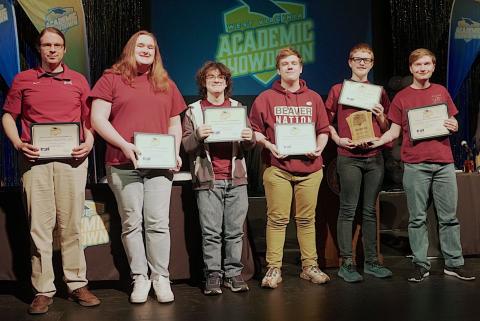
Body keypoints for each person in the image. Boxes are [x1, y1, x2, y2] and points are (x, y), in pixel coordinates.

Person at [2, 27, 100, 314]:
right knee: (40, 227)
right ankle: (43, 289)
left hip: (72, 162)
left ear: (65, 49)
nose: (52, 50)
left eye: (57, 45)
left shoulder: (79, 81)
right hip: (35, 162)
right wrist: (19, 144)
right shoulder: (24, 80)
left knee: (71, 225)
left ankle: (76, 283)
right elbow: (8, 116)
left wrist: (89, 143)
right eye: (47, 45)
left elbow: (89, 120)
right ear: (39, 48)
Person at [90, 30, 186, 303]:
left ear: (156, 54)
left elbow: (174, 124)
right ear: (130, 48)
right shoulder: (112, 79)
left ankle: (161, 277)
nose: (146, 50)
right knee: (132, 223)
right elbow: (98, 119)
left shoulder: (166, 83)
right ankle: (139, 278)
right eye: (141, 45)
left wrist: (174, 151)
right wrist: (124, 145)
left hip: (159, 165)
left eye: (151, 47)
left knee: (158, 223)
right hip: (123, 163)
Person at [370, 48, 475, 282]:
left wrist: (454, 125)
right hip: (415, 165)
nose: (423, 68)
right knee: (417, 218)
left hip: (444, 163)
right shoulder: (402, 97)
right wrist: (377, 140)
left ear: (433, 66)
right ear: (411, 68)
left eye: (427, 64)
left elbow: (451, 119)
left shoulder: (441, 91)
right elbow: (394, 132)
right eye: (418, 65)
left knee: (449, 217)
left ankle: (454, 264)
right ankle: (420, 264)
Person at [249, 47, 330, 288]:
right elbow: (255, 130)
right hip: (278, 167)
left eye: (294, 63)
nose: (290, 67)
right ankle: (274, 268)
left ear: (301, 68)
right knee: (277, 220)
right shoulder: (265, 98)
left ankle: (309, 266)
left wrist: (318, 148)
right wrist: (269, 145)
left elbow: (324, 130)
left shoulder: (314, 98)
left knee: (306, 219)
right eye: (285, 64)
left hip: (311, 169)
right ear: (278, 69)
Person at [182, 61, 255, 295]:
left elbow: (250, 143)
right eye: (211, 77)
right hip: (207, 180)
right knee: (211, 232)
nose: (216, 80)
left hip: (236, 179)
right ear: (204, 82)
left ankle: (233, 274)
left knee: (235, 231)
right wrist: (197, 135)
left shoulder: (237, 107)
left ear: (226, 82)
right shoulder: (193, 110)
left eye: (221, 77)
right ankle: (213, 275)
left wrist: (248, 137)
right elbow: (185, 144)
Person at [325, 43, 392, 282]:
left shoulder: (379, 92)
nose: (362, 63)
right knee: (347, 210)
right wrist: (338, 139)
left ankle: (372, 262)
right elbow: (326, 123)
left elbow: (387, 128)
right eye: (358, 59)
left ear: (372, 63)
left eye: (367, 59)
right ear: (350, 62)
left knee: (369, 211)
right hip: (348, 157)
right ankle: (347, 264)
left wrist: (381, 114)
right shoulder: (337, 90)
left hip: (374, 158)